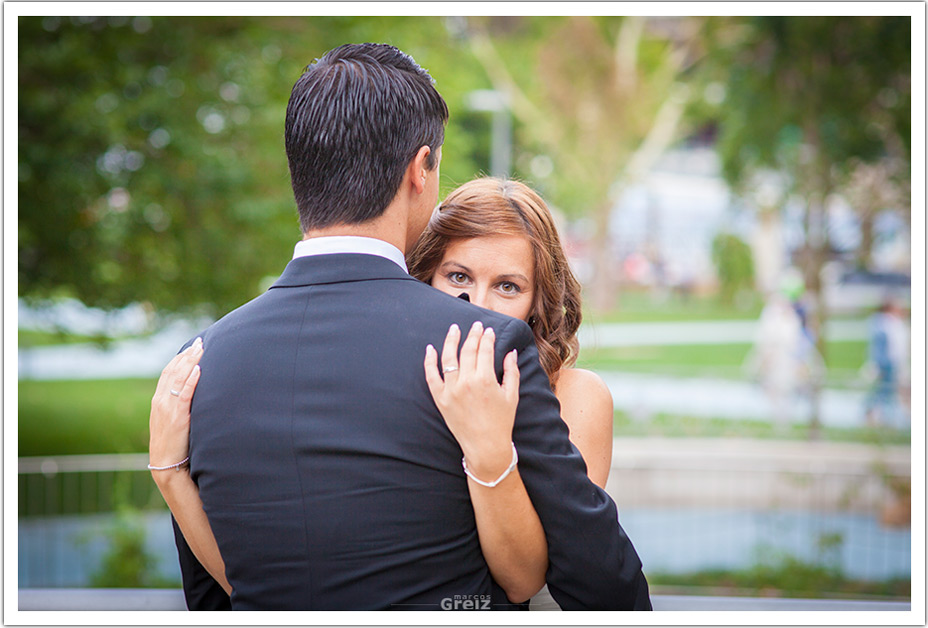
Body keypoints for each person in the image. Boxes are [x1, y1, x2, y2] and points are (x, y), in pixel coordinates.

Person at [149, 42, 649, 611]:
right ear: (421, 169)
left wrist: (169, 476)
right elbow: (606, 587)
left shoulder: (199, 364)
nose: (479, 300)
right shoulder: (484, 347)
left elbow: (221, 599)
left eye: (507, 285)